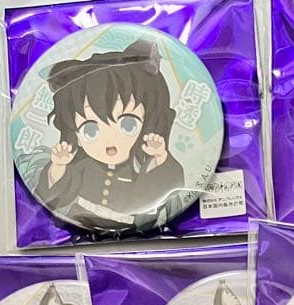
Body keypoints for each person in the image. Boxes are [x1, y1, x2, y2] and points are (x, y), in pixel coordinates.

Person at [35, 40, 185, 232]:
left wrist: (160, 156)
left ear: (146, 122)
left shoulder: (138, 167)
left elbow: (160, 189)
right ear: (75, 134)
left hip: (130, 229)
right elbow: (54, 195)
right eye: (90, 130)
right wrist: (58, 165)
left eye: (128, 125)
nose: (110, 142)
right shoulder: (82, 166)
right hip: (78, 221)